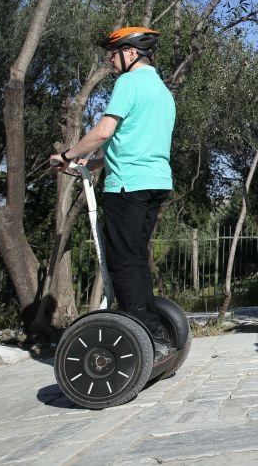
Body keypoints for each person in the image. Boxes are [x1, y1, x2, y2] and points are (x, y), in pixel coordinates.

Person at [50, 27, 175, 358]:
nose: (109, 59)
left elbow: (104, 132)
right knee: (135, 257)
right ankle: (155, 328)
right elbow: (131, 143)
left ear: (131, 53)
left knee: (122, 261)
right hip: (157, 182)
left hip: (127, 185)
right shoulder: (162, 91)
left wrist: (67, 155)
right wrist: (86, 166)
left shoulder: (129, 83)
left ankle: (148, 333)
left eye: (114, 52)